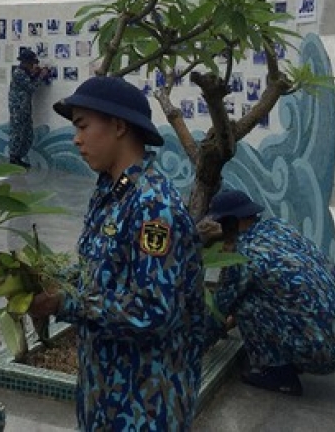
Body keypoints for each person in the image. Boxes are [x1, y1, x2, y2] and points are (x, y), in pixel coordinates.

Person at [30, 75, 206, 431]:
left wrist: (65, 303)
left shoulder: (153, 206)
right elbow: (98, 273)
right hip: (104, 392)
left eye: (83, 126)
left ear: (119, 126)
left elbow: (152, 311)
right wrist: (43, 280)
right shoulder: (111, 191)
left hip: (145, 404)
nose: (76, 138)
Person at [204, 188, 335, 396]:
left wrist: (196, 343)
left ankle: (279, 375)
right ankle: (293, 356)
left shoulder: (243, 255)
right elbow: (329, 268)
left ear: (230, 223)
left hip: (323, 353)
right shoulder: (279, 228)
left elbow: (220, 308)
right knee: (276, 294)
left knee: (245, 302)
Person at [7, 46, 49, 168]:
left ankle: (18, 157)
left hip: (25, 108)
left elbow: (29, 80)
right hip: (18, 109)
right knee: (18, 133)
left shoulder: (24, 72)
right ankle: (14, 158)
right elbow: (31, 88)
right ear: (26, 63)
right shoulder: (18, 73)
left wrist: (35, 74)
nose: (33, 66)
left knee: (27, 133)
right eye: (31, 63)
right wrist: (41, 76)